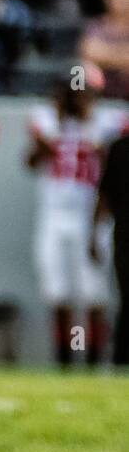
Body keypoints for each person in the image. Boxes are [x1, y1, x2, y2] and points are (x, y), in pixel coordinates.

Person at [27, 83, 128, 366]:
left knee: (93, 294)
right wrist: (58, 128)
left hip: (90, 216)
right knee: (58, 292)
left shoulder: (106, 124)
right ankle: (66, 360)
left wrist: (88, 128)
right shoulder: (49, 123)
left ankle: (93, 359)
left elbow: (114, 163)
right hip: (54, 214)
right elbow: (32, 161)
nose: (77, 101)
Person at [95, 129, 129, 364]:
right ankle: (121, 359)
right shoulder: (119, 148)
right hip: (125, 233)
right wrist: (94, 232)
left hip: (123, 233)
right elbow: (105, 193)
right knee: (127, 298)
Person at [80, 0, 129, 101]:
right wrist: (123, 56)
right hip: (103, 86)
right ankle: (78, 113)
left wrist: (106, 55)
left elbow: (98, 53)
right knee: (80, 70)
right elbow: (88, 52)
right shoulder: (96, 26)